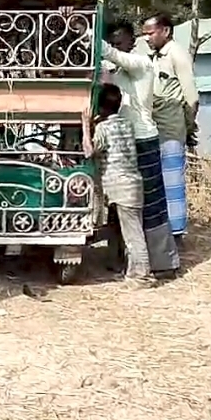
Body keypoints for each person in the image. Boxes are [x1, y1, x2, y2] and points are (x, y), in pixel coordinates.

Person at [93, 21, 180, 276]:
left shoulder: (142, 64)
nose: (117, 47)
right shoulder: (117, 71)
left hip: (143, 140)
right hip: (124, 140)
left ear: (132, 42)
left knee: (150, 205)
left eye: (120, 42)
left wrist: (82, 28)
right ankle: (123, 260)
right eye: (113, 42)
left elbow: (110, 55)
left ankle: (162, 263)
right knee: (121, 204)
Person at [82, 84, 152, 286]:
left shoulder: (103, 128)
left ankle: (142, 276)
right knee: (119, 228)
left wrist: (86, 126)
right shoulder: (127, 124)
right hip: (133, 183)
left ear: (101, 107)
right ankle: (120, 265)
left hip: (119, 186)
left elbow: (89, 151)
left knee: (133, 234)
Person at [143, 13, 198, 244]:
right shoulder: (153, 56)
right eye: (144, 34)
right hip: (155, 129)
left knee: (173, 184)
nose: (146, 38)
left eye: (150, 33)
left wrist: (187, 127)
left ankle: (176, 237)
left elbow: (192, 99)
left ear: (165, 31)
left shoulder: (177, 55)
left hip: (172, 130)